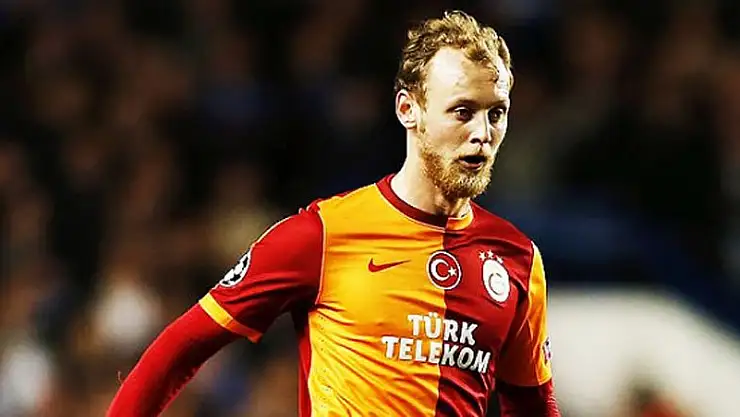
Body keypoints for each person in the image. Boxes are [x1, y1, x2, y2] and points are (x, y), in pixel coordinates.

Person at [107, 10, 561, 417]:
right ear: (409, 109)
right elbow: (177, 350)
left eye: (496, 113)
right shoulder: (322, 234)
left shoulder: (517, 259)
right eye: (462, 111)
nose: (483, 133)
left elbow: (533, 407)